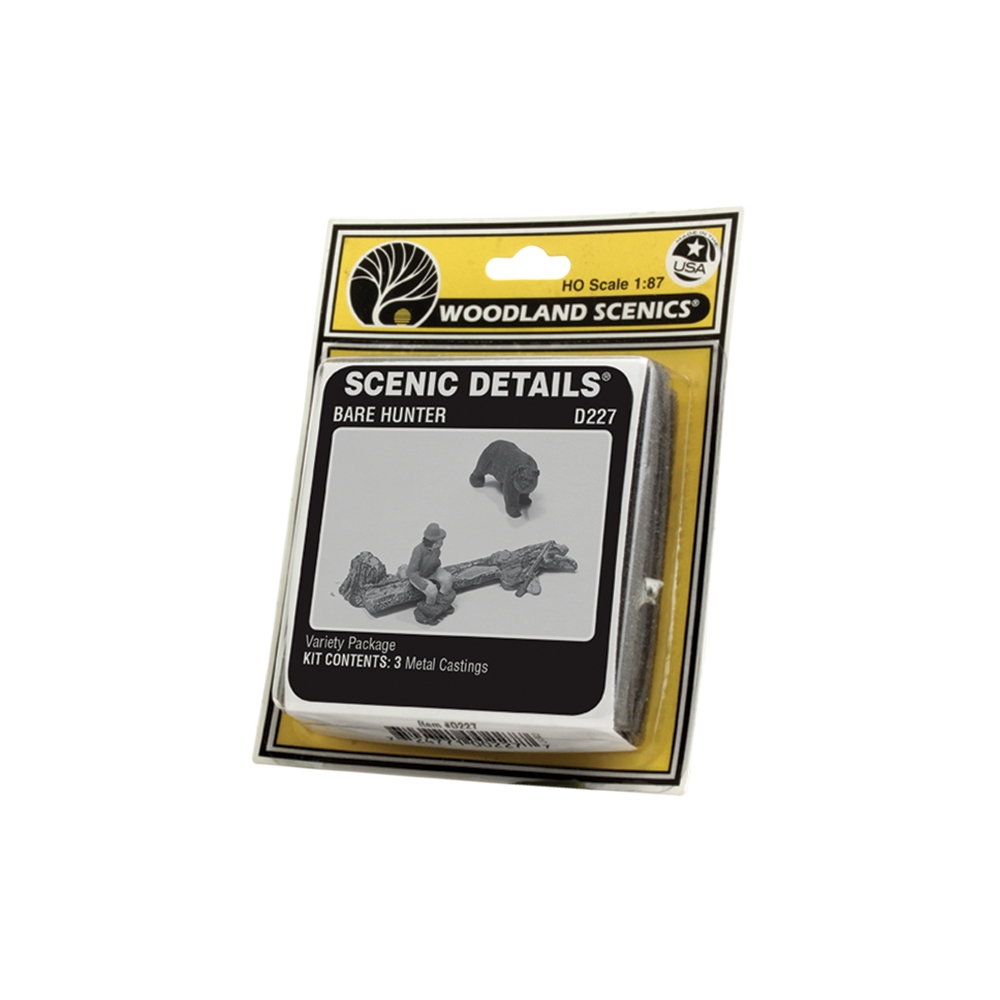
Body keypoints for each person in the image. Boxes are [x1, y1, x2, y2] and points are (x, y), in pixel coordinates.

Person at [404, 523, 454, 606]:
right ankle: (429, 607)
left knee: (447, 578)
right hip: (419, 575)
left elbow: (436, 563)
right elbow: (411, 572)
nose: (442, 543)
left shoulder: (436, 550)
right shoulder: (418, 550)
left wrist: (436, 563)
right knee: (432, 590)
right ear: (434, 543)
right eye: (440, 541)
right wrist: (421, 583)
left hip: (432, 571)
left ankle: (442, 599)